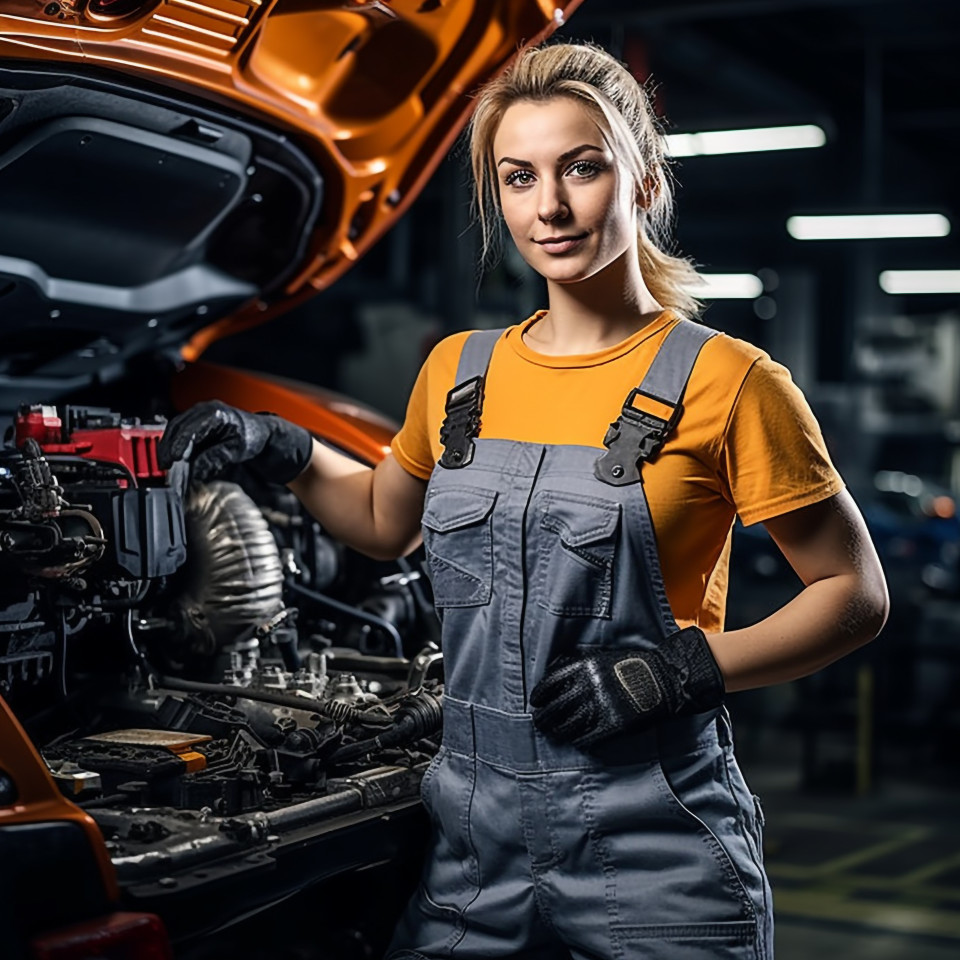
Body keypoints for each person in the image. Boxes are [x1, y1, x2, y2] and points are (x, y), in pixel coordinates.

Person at [158, 41, 888, 960]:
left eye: (582, 168)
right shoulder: (460, 372)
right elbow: (384, 524)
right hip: (472, 849)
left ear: (645, 181)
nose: (549, 206)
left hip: (656, 846)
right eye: (518, 177)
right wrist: (287, 448)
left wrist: (683, 671)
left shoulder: (730, 382)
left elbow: (854, 596)